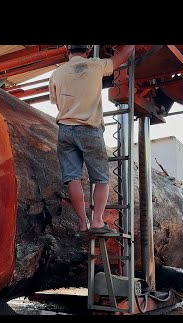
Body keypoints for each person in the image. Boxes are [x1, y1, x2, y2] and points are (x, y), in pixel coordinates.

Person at [49, 45, 135, 235]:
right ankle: (97, 222)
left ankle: (82, 222)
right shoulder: (95, 65)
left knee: (72, 178)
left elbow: (56, 103)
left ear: (67, 52)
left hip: (65, 130)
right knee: (101, 179)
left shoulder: (56, 73)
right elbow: (118, 60)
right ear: (87, 52)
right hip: (89, 129)